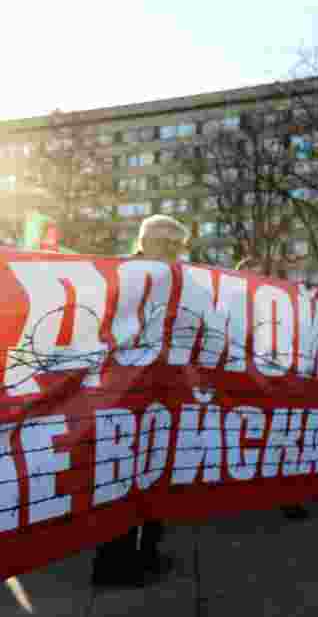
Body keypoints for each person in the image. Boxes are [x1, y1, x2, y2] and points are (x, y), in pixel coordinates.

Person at [92, 215, 187, 588]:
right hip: (122, 395)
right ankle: (113, 564)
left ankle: (146, 554)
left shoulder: (178, 280)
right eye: (167, 246)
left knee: (153, 476)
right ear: (147, 241)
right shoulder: (119, 278)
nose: (173, 254)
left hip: (159, 393)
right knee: (119, 480)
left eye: (177, 247)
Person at [235, 256, 311, 520]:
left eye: (258, 275)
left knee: (282, 435)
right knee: (248, 438)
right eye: (249, 276)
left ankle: (287, 496)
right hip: (244, 384)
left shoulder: (281, 306)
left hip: (277, 381)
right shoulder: (232, 308)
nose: (254, 281)